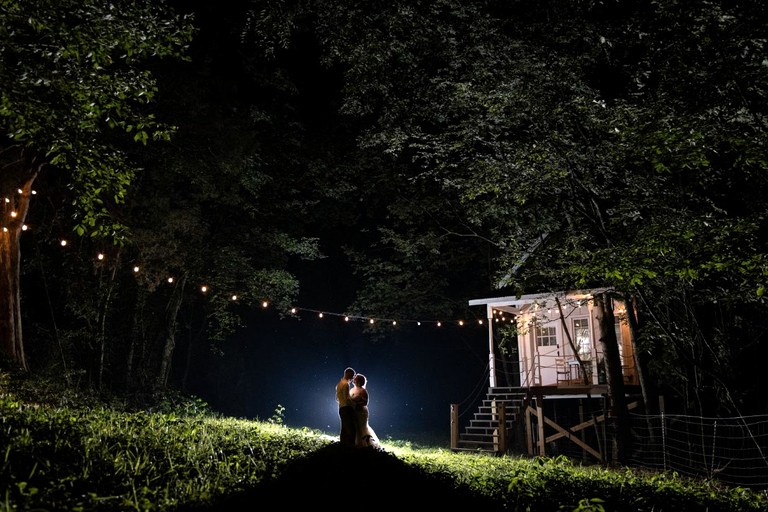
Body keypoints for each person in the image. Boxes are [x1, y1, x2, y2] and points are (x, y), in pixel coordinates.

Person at [350, 373, 379, 448]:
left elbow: (365, 402)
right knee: (354, 426)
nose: (353, 380)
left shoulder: (363, 391)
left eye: (355, 379)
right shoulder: (351, 390)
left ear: (359, 381)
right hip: (353, 410)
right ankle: (354, 443)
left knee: (361, 427)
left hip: (361, 411)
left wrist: (357, 403)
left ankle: (363, 444)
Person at [336, 367, 357, 447]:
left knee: (344, 429)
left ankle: (343, 445)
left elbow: (337, 398)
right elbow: (347, 398)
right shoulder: (346, 384)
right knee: (351, 429)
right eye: (352, 375)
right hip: (346, 408)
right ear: (348, 374)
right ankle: (350, 447)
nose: (352, 378)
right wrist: (354, 405)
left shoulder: (339, 384)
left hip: (341, 408)